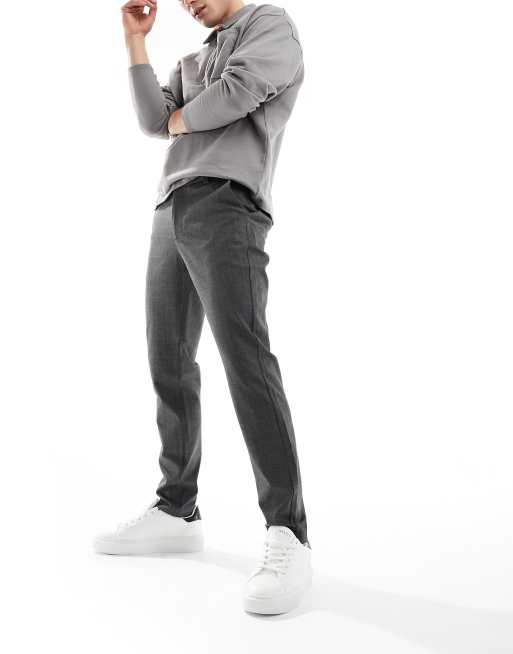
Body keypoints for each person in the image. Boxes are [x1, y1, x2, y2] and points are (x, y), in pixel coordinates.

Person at [93, 0, 311, 615]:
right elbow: (151, 120)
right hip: (173, 205)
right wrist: (136, 42)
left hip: (228, 203)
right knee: (167, 358)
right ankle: (176, 509)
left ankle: (288, 531)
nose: (188, 2)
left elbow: (237, 93)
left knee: (246, 361)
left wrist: (180, 120)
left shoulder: (268, 25)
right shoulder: (192, 59)